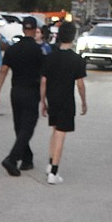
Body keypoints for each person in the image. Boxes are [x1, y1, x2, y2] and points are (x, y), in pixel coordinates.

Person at [0, 16, 44, 176]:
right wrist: (44, 98)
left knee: (19, 126)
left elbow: (3, 71)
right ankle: (12, 159)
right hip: (31, 92)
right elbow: (44, 77)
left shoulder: (12, 49)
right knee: (27, 128)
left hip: (16, 92)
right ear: (35, 31)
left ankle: (27, 159)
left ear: (22, 29)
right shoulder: (38, 51)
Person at [39, 21, 87, 184]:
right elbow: (80, 84)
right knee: (61, 134)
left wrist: (43, 101)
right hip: (66, 101)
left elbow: (43, 81)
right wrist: (84, 102)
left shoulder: (50, 57)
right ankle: (54, 171)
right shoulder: (77, 60)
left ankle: (50, 162)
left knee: (54, 131)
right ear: (73, 37)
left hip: (52, 99)